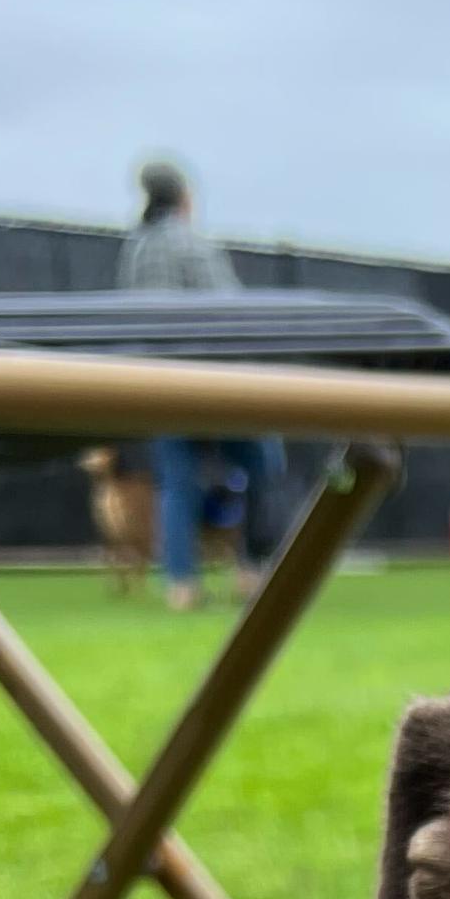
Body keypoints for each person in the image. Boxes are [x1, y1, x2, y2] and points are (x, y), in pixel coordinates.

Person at [116, 161, 280, 607]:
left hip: (163, 385)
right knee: (264, 463)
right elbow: (231, 313)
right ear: (185, 198)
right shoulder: (196, 245)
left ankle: (181, 586)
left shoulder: (136, 247)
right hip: (215, 383)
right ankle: (251, 571)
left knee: (177, 484)